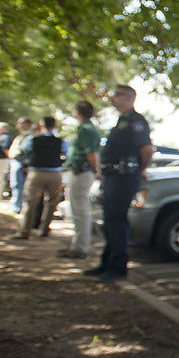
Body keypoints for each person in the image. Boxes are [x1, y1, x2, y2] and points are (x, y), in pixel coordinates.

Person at [84, 85, 153, 284]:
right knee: (110, 221)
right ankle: (107, 263)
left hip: (124, 176)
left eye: (116, 95)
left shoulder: (136, 120)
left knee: (117, 222)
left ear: (128, 98)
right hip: (113, 176)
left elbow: (147, 150)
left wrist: (140, 170)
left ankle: (117, 267)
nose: (112, 99)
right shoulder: (122, 121)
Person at [58, 101, 101, 259]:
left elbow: (91, 154)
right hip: (79, 171)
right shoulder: (85, 128)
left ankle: (81, 248)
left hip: (81, 171)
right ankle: (76, 246)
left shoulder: (86, 129)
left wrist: (96, 171)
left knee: (80, 210)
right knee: (76, 209)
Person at [13, 115, 68, 239]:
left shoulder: (32, 139)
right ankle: (44, 229)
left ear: (41, 125)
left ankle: (25, 230)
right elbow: (66, 152)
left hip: (36, 172)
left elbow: (24, 150)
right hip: (54, 173)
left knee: (30, 202)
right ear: (54, 126)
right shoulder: (60, 141)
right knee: (51, 203)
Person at [8, 117, 35, 213]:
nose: (18, 125)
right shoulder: (23, 135)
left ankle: (17, 207)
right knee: (16, 184)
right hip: (17, 161)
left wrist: (24, 163)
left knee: (17, 184)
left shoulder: (28, 135)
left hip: (20, 161)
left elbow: (25, 150)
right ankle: (17, 205)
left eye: (21, 123)